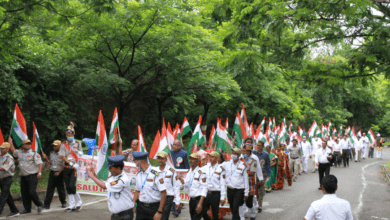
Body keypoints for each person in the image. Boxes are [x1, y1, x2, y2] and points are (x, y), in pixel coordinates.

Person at [87, 155, 134, 220]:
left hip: (124, 215)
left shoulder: (122, 180)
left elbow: (104, 186)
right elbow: (105, 184)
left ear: (118, 168)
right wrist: (94, 175)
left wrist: (92, 176)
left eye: (111, 168)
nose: (109, 170)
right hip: (116, 215)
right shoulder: (114, 177)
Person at [9, 138, 43, 214]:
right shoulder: (19, 152)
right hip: (23, 176)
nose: (28, 145)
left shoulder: (34, 153)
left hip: (32, 175)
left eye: (29, 144)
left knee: (32, 192)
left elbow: (40, 163)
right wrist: (10, 143)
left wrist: (39, 173)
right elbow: (13, 151)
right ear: (22, 145)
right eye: (26, 144)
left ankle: (39, 204)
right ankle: (27, 209)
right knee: (24, 193)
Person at [132, 152, 166, 220]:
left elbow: (164, 193)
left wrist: (159, 212)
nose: (135, 163)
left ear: (139, 161)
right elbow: (137, 191)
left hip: (153, 208)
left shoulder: (156, 174)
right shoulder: (139, 174)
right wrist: (133, 202)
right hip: (141, 207)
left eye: (135, 161)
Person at [59, 122, 83, 212]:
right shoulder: (63, 144)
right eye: (68, 134)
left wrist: (80, 155)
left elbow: (81, 155)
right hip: (67, 167)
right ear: (66, 135)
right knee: (68, 186)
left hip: (75, 168)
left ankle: (79, 202)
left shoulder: (78, 143)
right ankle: (71, 205)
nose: (70, 135)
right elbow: (63, 156)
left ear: (73, 134)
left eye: (71, 134)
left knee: (72, 185)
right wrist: (70, 163)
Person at [176, 153, 207, 220]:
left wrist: (200, 203)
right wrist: (181, 179)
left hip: (199, 200)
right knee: (193, 218)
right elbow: (186, 184)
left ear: (198, 161)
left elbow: (204, 188)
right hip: (192, 200)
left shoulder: (201, 172)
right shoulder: (189, 171)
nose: (190, 160)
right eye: (190, 158)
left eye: (193, 159)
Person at [221, 148, 249, 220]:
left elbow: (246, 180)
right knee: (232, 207)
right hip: (230, 189)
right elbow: (218, 167)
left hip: (239, 190)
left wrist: (246, 193)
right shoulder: (227, 163)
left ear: (239, 155)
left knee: (235, 207)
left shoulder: (243, 166)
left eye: (235, 153)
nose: (233, 154)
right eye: (232, 152)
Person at [239, 137, 263, 220]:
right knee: (241, 199)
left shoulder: (254, 158)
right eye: (243, 151)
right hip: (241, 181)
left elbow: (258, 169)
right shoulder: (240, 158)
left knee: (250, 200)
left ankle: (252, 214)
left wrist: (261, 179)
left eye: (245, 151)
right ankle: (242, 214)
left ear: (249, 151)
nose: (243, 152)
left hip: (250, 181)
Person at [41, 140, 67, 209]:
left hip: (59, 173)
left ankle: (63, 202)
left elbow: (64, 165)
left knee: (60, 189)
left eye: (55, 146)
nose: (54, 147)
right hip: (52, 173)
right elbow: (51, 163)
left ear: (59, 146)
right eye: (53, 146)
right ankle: (47, 204)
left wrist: (58, 172)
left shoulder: (63, 154)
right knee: (50, 189)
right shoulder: (52, 153)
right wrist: (46, 158)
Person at [155, 151, 181, 220]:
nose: (160, 160)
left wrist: (177, 201)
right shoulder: (154, 170)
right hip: (157, 197)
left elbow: (176, 186)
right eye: (159, 158)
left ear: (166, 159)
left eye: (162, 158)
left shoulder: (171, 171)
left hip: (168, 197)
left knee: (164, 217)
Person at [201, 151, 226, 220]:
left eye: (212, 157)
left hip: (216, 194)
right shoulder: (205, 167)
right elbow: (199, 174)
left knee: (215, 214)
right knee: (202, 211)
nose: (210, 158)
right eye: (209, 156)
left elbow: (222, 184)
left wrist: (222, 197)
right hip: (207, 193)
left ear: (217, 158)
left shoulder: (221, 168)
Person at [0, 141, 19, 217]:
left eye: (3, 148)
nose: (1, 149)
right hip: (1, 179)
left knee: (3, 196)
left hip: (7, 179)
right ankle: (14, 210)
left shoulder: (9, 158)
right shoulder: (0, 156)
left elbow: (4, 168)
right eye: (1, 148)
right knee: (7, 196)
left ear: (7, 149)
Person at [253, 141, 270, 213]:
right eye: (257, 145)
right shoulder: (254, 153)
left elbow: (268, 165)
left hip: (263, 173)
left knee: (260, 188)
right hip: (254, 173)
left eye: (260, 146)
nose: (258, 147)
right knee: (254, 188)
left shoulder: (266, 154)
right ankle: (254, 204)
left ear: (263, 147)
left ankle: (259, 205)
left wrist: (268, 175)